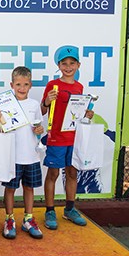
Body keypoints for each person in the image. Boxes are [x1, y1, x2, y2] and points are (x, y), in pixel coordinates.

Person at [40, 46, 94, 229]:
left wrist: (87, 114)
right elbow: (42, 110)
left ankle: (70, 209)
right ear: (59, 65)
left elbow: (78, 112)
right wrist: (47, 100)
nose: (68, 67)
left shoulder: (80, 87)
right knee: (53, 173)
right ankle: (49, 211)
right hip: (56, 138)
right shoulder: (52, 85)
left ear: (78, 65)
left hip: (74, 137)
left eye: (72, 63)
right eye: (64, 63)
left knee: (72, 173)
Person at [0, 66, 44, 239]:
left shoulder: (35, 104)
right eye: (18, 84)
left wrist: (39, 130)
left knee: (29, 188)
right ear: (11, 85)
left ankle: (28, 219)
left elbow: (39, 127)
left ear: (31, 85)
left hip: (31, 156)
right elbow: (1, 130)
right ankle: (9, 219)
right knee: (10, 189)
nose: (22, 88)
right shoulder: (4, 105)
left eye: (26, 84)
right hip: (12, 156)